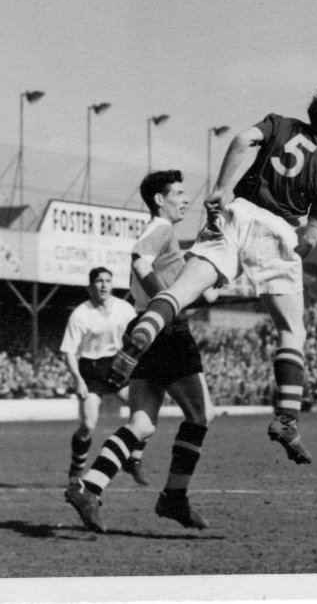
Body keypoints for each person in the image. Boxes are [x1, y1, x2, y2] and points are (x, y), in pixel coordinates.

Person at [104, 84, 317, 465]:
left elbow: (242, 139)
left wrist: (222, 189)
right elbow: (312, 235)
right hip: (279, 230)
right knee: (292, 330)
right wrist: (297, 252)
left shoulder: (281, 124)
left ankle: (143, 332)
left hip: (238, 213)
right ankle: (286, 419)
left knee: (178, 294)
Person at [65, 171, 219, 532]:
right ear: (159, 200)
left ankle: (89, 488)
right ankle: (174, 498)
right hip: (166, 331)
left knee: (142, 423)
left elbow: (206, 294)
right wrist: (167, 302)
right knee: (199, 416)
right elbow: (139, 258)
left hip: (147, 329)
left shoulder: (175, 248)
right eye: (179, 193)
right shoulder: (160, 229)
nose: (186, 198)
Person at [59, 266, 141, 487]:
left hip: (117, 367)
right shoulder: (81, 314)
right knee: (88, 425)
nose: (104, 284)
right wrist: (78, 380)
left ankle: (132, 459)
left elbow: (139, 333)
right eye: (99, 281)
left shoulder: (124, 309)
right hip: (90, 369)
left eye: (107, 280)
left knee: (143, 409)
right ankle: (76, 470)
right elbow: (68, 350)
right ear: (90, 287)